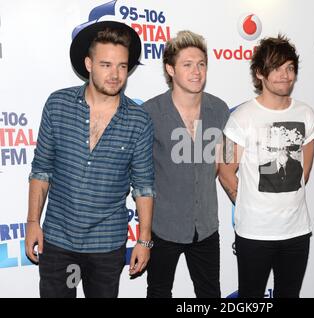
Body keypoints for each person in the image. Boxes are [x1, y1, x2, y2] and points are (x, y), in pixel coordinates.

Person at [25, 21, 155, 298]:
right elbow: (41, 171)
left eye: (122, 66)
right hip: (58, 241)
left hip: (107, 245)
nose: (115, 74)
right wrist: (33, 223)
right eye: (106, 65)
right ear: (88, 63)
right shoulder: (57, 105)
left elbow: (144, 186)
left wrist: (144, 240)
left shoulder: (139, 120)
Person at [218, 35, 314, 298]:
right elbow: (225, 170)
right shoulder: (239, 118)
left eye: (290, 68)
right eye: (276, 68)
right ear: (260, 73)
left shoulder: (306, 114)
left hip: (297, 232)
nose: (285, 76)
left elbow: (304, 170)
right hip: (254, 233)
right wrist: (247, 202)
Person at [142, 30, 229, 298]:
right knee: (158, 292)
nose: (196, 72)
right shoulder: (149, 113)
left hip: (205, 227)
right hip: (163, 226)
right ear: (171, 69)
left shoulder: (220, 109)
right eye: (187, 64)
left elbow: (224, 164)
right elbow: (140, 173)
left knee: (210, 293)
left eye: (201, 64)